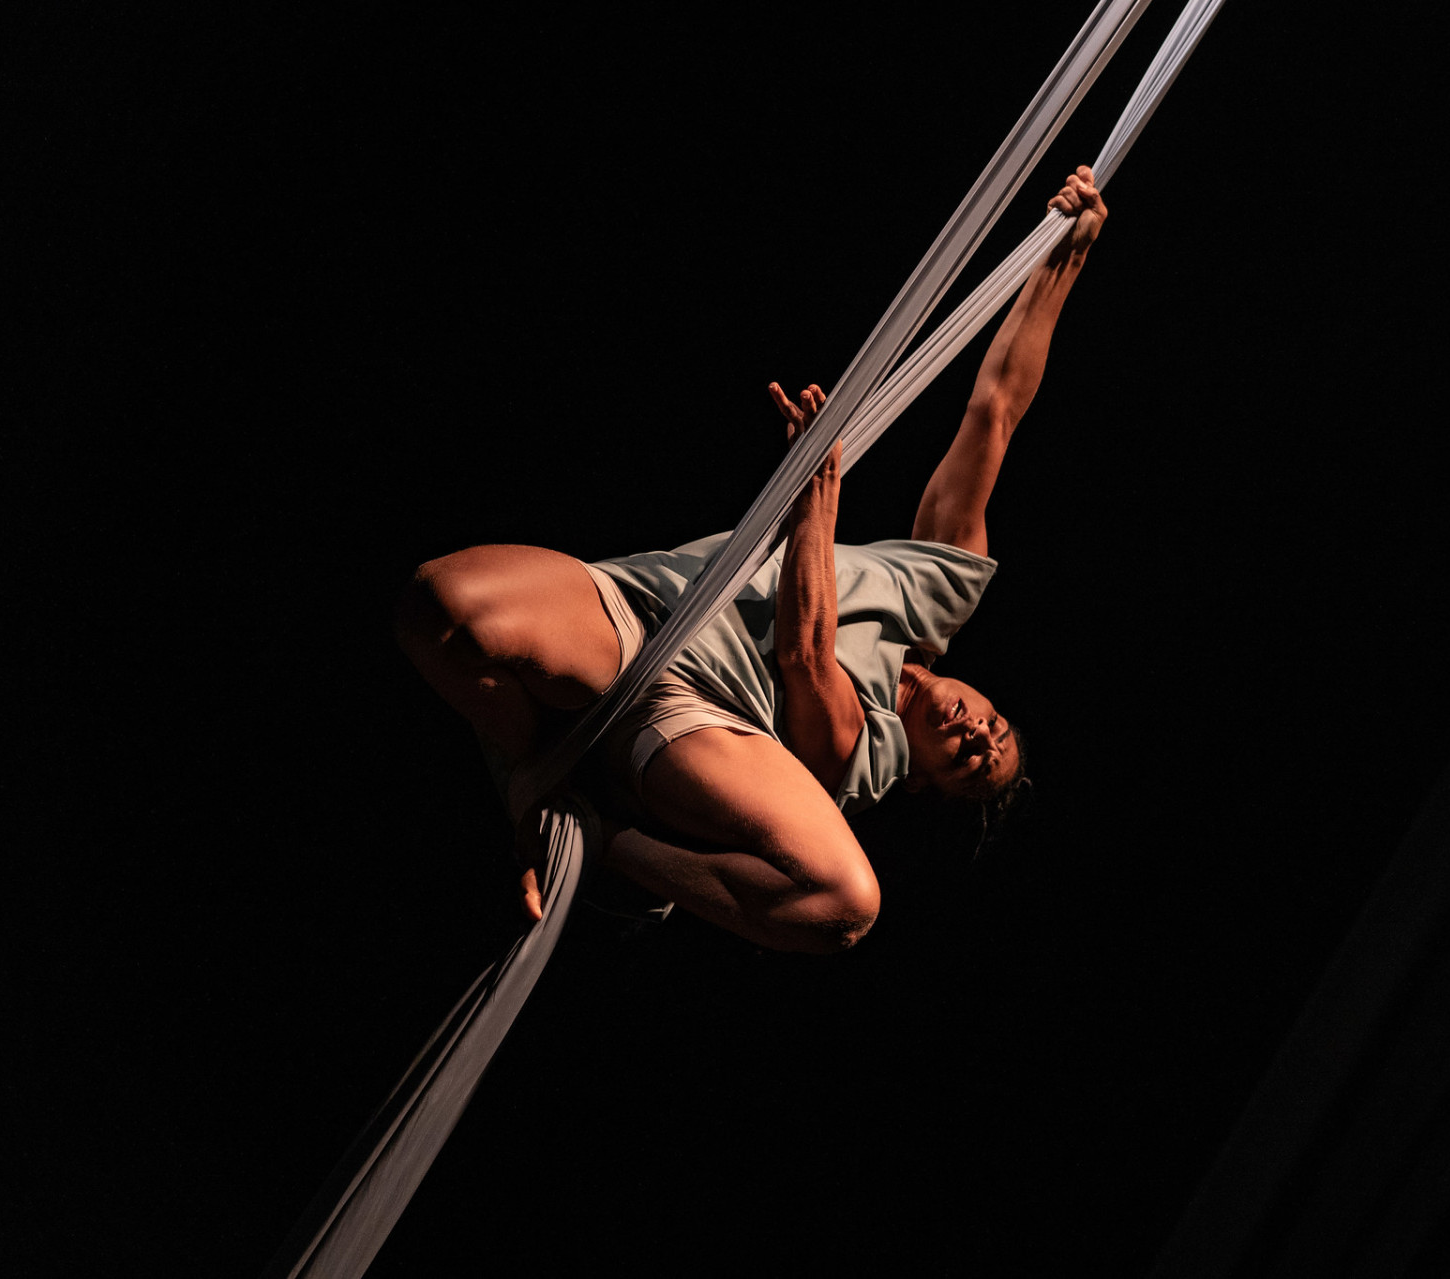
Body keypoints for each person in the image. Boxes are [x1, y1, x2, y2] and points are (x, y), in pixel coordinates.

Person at [395, 165, 1108, 954]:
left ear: (920, 781)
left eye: (971, 762)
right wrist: (1066, 255)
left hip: (697, 720)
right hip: (645, 615)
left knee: (845, 900)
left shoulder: (873, 758)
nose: (977, 733)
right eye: (994, 725)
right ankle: (536, 777)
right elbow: (995, 408)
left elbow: (806, 657)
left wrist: (813, 497)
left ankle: (607, 842)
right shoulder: (934, 593)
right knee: (441, 605)